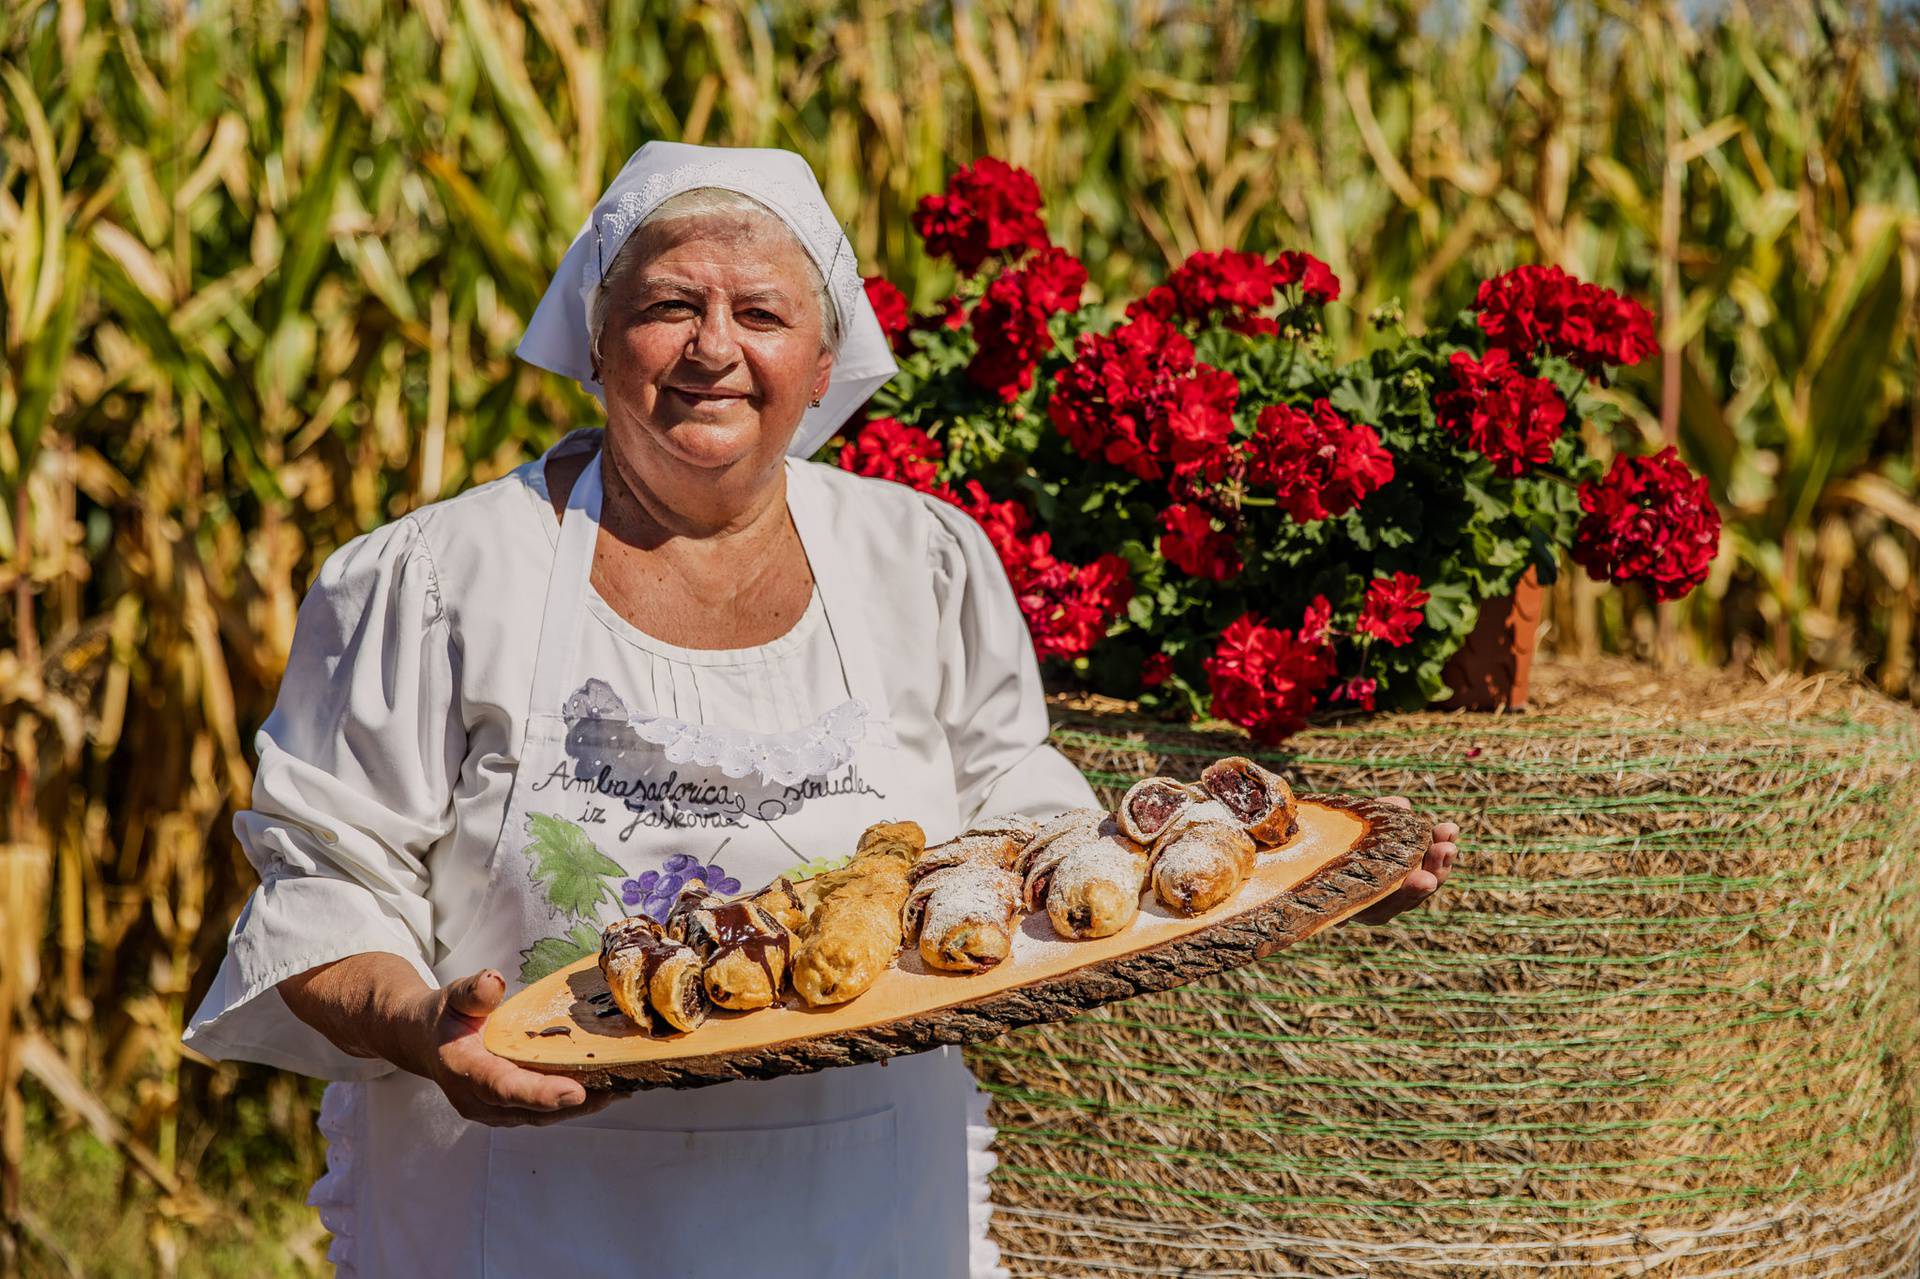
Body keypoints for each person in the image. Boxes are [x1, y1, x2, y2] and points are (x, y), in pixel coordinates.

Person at [183, 142, 1459, 1277]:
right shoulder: (437, 578)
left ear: (825, 357)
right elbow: (322, 878)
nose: (713, 347)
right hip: (519, 1213)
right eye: (669, 305)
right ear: (595, 332)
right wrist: (423, 1028)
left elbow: (1027, 836)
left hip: (864, 1215)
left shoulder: (924, 561)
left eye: (762, 312)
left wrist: (1291, 884)